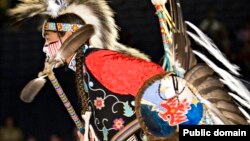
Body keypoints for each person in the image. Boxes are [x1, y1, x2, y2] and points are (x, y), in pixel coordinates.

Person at [8, 0, 250, 141]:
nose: (43, 47)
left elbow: (159, 81)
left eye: (49, 38)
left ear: (70, 37)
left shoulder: (97, 61)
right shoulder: (85, 71)